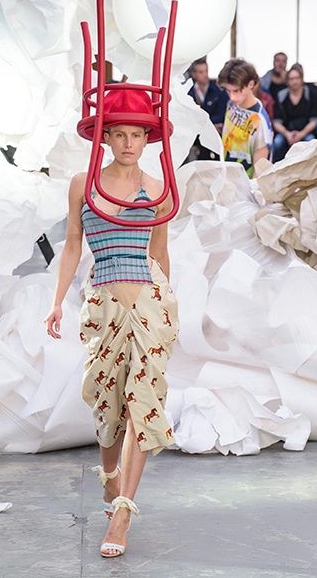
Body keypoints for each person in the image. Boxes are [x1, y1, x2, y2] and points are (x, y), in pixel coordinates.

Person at [44, 88, 179, 558]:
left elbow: (160, 252)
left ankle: (122, 513)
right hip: (103, 304)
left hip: (149, 302)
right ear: (104, 137)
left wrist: (167, 311)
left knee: (142, 404)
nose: (128, 143)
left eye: (136, 135)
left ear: (147, 139)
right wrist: (57, 302)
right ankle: (109, 478)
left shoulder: (158, 188)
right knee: (108, 409)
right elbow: (72, 244)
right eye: (119, 134)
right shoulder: (84, 184)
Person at [217, 58, 273, 178]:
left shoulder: (259, 122)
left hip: (246, 185)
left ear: (251, 84)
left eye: (236, 91)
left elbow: (260, 171)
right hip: (227, 177)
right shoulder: (231, 105)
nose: (232, 97)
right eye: (228, 91)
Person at [273, 63, 317, 162]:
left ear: (301, 79)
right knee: (277, 142)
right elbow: (276, 122)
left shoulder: (311, 93)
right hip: (287, 132)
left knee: (311, 141)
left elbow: (314, 120)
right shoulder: (281, 96)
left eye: (297, 78)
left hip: (305, 132)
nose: (295, 81)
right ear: (287, 81)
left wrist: (301, 134)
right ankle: (275, 168)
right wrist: (287, 134)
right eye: (292, 79)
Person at [185, 57, 229, 161]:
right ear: (194, 74)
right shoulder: (189, 91)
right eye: (201, 72)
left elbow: (223, 111)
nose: (205, 75)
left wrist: (209, 124)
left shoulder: (218, 89)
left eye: (206, 71)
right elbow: (188, 114)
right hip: (197, 132)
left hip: (216, 130)